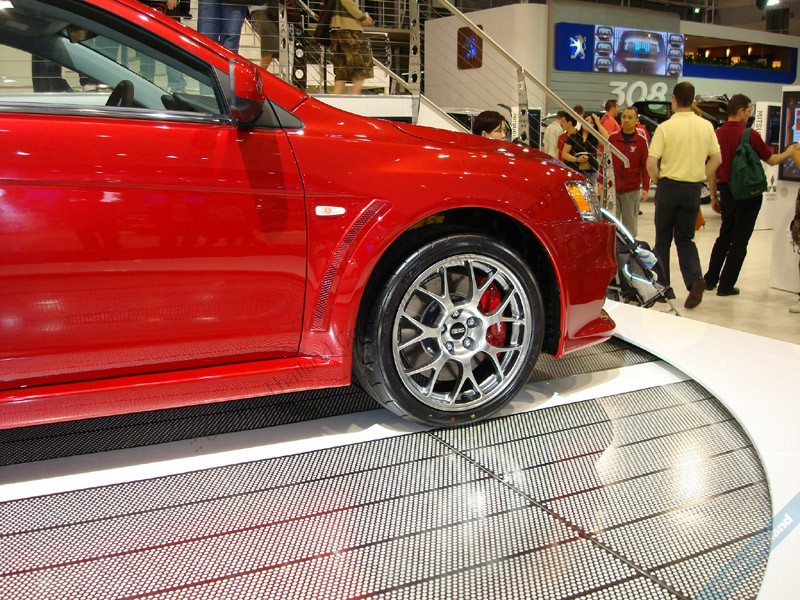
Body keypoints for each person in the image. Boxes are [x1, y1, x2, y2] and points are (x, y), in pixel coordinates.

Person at [704, 94, 796, 297]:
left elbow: (711, 168)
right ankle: (726, 285)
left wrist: (713, 196)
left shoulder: (716, 134)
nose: (749, 115)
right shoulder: (749, 135)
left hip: (726, 191)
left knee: (724, 236)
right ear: (740, 111)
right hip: (749, 193)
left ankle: (710, 280)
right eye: (748, 111)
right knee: (740, 241)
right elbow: (771, 160)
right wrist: (789, 152)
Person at [646, 82, 721, 309]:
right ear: (692, 99)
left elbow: (651, 162)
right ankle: (695, 279)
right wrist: (701, 176)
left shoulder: (665, 127)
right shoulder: (706, 126)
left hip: (668, 186)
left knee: (662, 240)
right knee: (685, 239)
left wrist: (658, 180)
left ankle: (663, 287)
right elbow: (717, 159)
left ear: (674, 99)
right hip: (692, 189)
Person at [608, 106, 650, 236]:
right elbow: (605, 162)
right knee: (611, 225)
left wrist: (646, 187)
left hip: (631, 190)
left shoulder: (641, 141)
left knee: (630, 227)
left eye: (630, 117)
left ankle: (629, 248)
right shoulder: (612, 138)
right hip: (612, 189)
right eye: (624, 117)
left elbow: (646, 166)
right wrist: (600, 182)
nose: (626, 120)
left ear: (636, 120)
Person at [330, 0, 374, 94]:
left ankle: (336, 97)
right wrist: (363, 18)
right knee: (362, 63)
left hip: (336, 28)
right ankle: (354, 96)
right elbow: (347, 2)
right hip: (350, 30)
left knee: (342, 66)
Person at [562, 112, 608, 184]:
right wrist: (576, 159)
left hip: (591, 171)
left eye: (591, 122)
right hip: (574, 170)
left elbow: (607, 138)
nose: (588, 123)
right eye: (586, 120)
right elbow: (564, 154)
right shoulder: (574, 136)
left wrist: (598, 123)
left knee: (589, 190)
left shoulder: (595, 138)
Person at [249, 2, 280, 69]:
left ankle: (261, 71)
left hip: (282, 8)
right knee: (268, 28)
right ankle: (261, 71)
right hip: (260, 9)